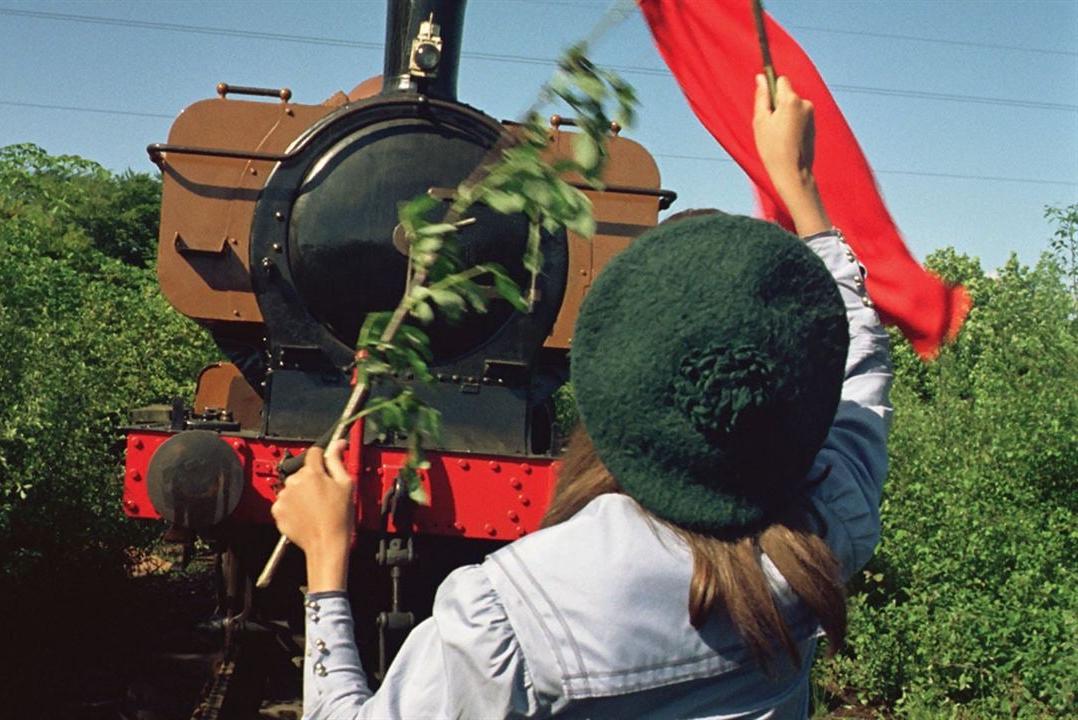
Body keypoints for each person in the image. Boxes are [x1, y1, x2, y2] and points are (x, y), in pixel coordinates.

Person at [271, 74, 892, 719]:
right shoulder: (829, 524)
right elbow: (858, 363)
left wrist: (325, 567)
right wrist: (800, 187)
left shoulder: (507, 620)